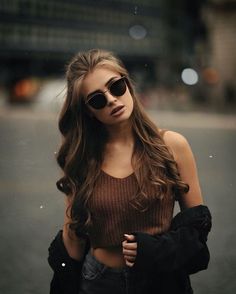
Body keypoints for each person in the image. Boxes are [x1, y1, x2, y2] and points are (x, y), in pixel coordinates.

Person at [47, 49, 212, 294]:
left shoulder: (171, 146)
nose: (112, 100)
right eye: (97, 100)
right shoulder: (82, 157)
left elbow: (197, 229)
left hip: (160, 280)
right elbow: (73, 236)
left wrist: (154, 249)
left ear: (128, 84)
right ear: (88, 111)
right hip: (97, 282)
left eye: (116, 87)